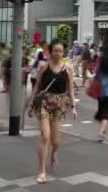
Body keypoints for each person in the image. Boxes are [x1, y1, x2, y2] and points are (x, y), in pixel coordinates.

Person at [27, 40, 77, 185]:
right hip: (44, 103)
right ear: (50, 51)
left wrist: (73, 106)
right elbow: (37, 86)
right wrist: (31, 104)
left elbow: (71, 89)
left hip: (60, 104)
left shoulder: (68, 68)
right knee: (45, 136)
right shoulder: (43, 66)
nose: (58, 54)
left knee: (55, 141)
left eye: (61, 51)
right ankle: (42, 171)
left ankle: (54, 152)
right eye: (55, 51)